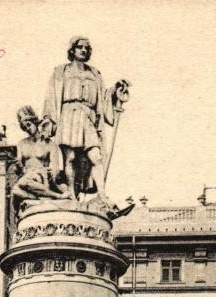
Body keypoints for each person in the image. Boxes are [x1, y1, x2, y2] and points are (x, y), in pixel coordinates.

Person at [42, 36, 129, 201]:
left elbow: (103, 98)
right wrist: (49, 120)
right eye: (80, 47)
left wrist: (115, 92)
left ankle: (103, 196)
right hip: (68, 115)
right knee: (70, 158)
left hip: (88, 117)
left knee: (96, 156)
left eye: (86, 48)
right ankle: (72, 197)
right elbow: (51, 97)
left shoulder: (94, 73)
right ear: (72, 50)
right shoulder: (61, 71)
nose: (83, 50)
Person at [12, 105, 69, 212]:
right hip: (27, 175)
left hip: (42, 176)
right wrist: (18, 166)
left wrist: (53, 175)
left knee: (23, 183)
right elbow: (18, 169)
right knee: (15, 191)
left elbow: (55, 167)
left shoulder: (49, 144)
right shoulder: (21, 144)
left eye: (29, 125)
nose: (28, 129)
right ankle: (39, 199)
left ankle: (56, 196)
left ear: (35, 121)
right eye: (24, 127)